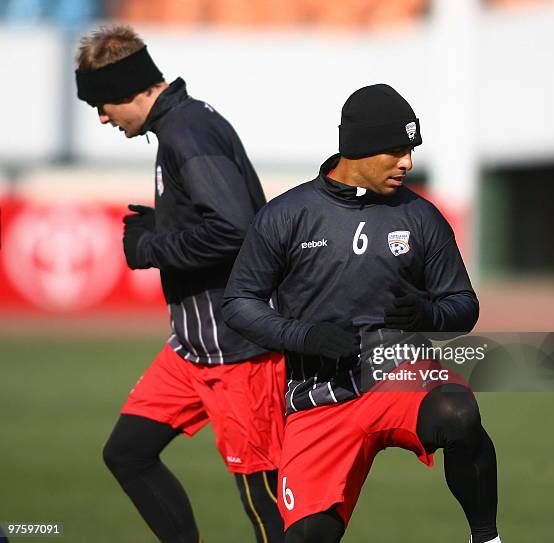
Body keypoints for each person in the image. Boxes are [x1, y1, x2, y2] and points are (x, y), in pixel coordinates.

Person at [223, 84, 500, 543]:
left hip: (400, 378)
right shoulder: (286, 214)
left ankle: (487, 539)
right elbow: (238, 303)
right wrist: (305, 336)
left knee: (458, 410)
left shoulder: (422, 216)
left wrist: (428, 315)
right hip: (319, 397)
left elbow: (463, 305)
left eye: (410, 149)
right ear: (356, 149)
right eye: (395, 150)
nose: (407, 162)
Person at [75, 25, 285, 543]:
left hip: (237, 351)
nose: (102, 116)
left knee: (261, 494)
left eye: (102, 104)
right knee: (127, 453)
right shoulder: (183, 125)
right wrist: (165, 225)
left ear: (128, 90)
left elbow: (235, 230)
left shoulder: (187, 132)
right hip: (192, 349)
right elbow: (213, 216)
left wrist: (152, 248)